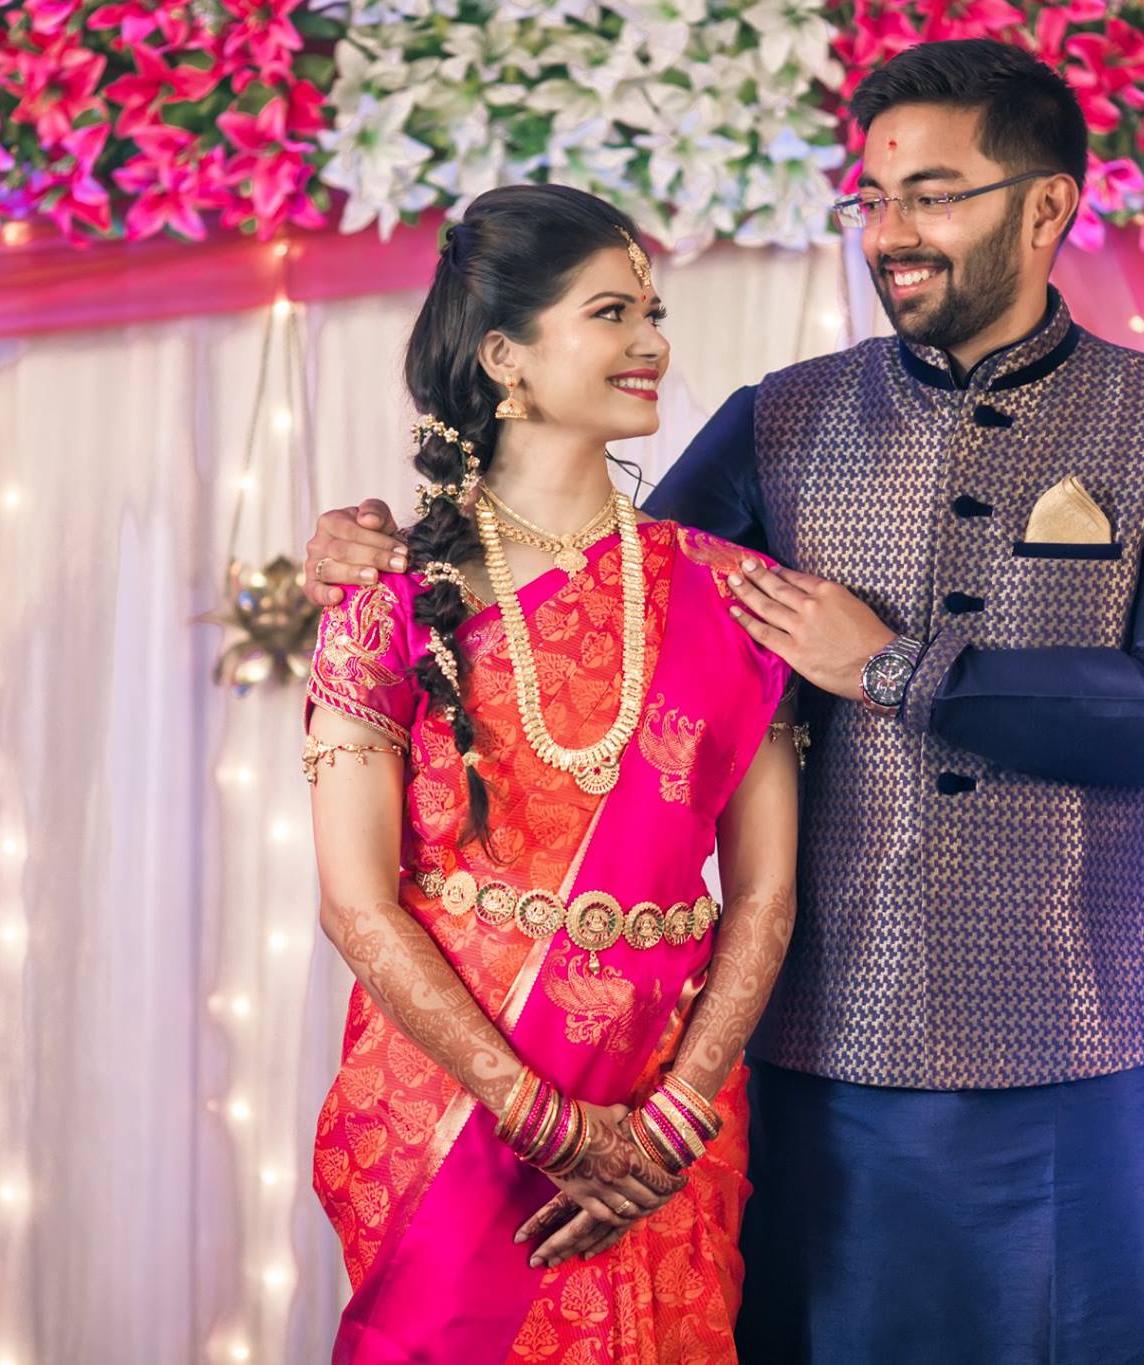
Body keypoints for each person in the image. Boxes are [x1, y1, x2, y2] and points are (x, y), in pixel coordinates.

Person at [305, 40, 1144, 1365]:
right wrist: (386, 554)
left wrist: (895, 665)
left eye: (933, 193)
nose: (893, 234)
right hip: (835, 1048)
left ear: (1047, 206)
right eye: (872, 200)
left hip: (1108, 1041)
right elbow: (587, 593)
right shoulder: (783, 423)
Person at [303, 182, 802, 1363]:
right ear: (503, 356)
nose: (651, 343)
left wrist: (668, 1121)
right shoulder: (383, 598)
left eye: (653, 311)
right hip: (454, 1107)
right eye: (610, 313)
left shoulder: (729, 595)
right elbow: (354, 899)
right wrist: (543, 1120)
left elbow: (765, 892)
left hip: (667, 1113)